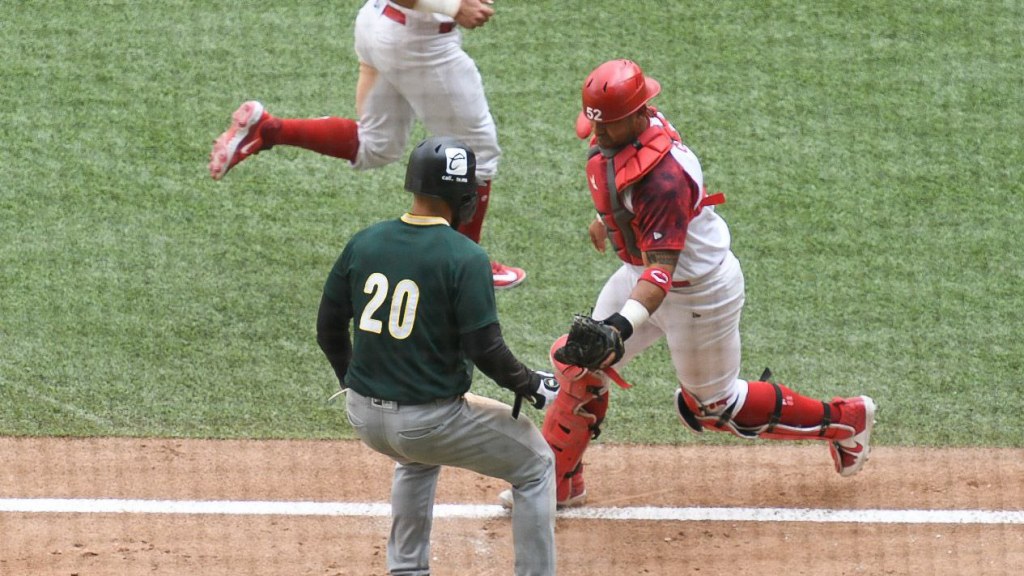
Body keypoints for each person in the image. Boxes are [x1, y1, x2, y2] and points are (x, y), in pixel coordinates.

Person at [501, 59, 877, 509]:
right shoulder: (630, 135)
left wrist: (619, 326)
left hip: (699, 294)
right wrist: (607, 219)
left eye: (608, 124)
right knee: (581, 364)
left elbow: (662, 272)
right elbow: (626, 195)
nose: (597, 133)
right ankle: (557, 483)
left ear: (639, 115)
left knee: (714, 407)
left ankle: (846, 420)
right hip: (644, 275)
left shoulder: (664, 179)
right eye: (595, 122)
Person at [316, 135, 558, 576]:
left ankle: (406, 569)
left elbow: (327, 328)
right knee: (536, 464)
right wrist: (531, 384)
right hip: (429, 423)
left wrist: (353, 385)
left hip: (363, 418)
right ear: (463, 197)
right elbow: (485, 349)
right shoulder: (466, 257)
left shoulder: (364, 242)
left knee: (416, 459)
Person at [209, 0, 527, 289]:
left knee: (377, 144)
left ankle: (268, 130)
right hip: (420, 42)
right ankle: (467, 269)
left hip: (382, 24)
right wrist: (453, 7)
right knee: (476, 155)